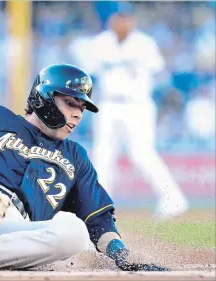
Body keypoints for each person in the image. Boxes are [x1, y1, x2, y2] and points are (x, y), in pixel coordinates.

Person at [0, 20, 169, 272]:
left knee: (75, 234)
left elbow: (98, 222)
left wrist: (124, 257)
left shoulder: (75, 157)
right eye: (71, 103)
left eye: (83, 108)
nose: (78, 114)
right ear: (45, 97)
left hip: (13, 225)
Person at [70, 2, 189, 219]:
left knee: (142, 153)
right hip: (107, 104)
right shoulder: (100, 43)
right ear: (110, 20)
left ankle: (173, 198)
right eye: (117, 17)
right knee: (103, 155)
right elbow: (88, 71)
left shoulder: (144, 43)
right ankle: (99, 206)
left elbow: (159, 71)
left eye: (125, 17)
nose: (122, 21)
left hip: (137, 105)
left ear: (131, 20)